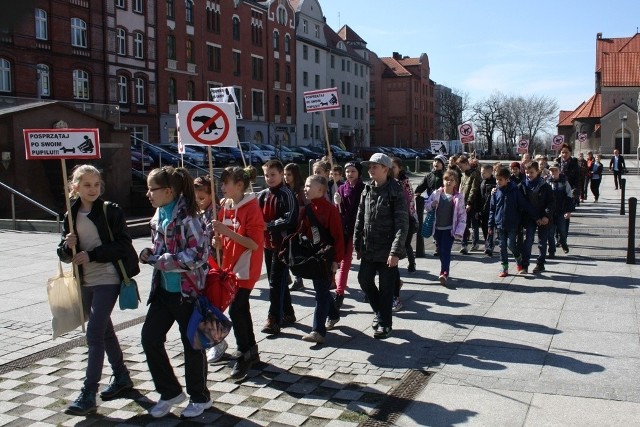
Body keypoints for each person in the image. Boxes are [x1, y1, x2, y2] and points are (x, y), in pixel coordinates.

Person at [57, 165, 139, 416]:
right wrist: (66, 245)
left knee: (93, 334)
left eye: (96, 184)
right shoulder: (70, 212)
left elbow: (124, 245)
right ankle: (122, 377)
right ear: (75, 187)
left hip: (109, 277)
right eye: (86, 185)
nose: (92, 189)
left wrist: (91, 254)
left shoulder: (110, 211)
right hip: (85, 280)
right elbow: (63, 254)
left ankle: (88, 393)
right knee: (104, 331)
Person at [139, 166, 211, 419]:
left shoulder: (189, 217)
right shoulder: (159, 214)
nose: (148, 193)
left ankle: (200, 397)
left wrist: (162, 260)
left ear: (168, 191)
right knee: (149, 338)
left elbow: (199, 255)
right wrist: (148, 253)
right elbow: (159, 248)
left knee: (192, 345)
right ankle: (170, 392)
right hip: (163, 291)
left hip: (188, 292)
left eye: (152, 189)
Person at [211, 166, 264, 381]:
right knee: (241, 310)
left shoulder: (251, 208)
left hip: (246, 268)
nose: (222, 187)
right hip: (231, 267)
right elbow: (225, 239)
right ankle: (251, 349)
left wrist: (227, 233)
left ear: (240, 185)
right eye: (222, 183)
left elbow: (253, 243)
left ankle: (243, 353)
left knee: (237, 309)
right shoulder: (225, 206)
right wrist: (219, 242)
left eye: (226, 183)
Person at [354, 153, 408, 339]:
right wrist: (357, 242)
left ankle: (385, 324)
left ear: (385, 169)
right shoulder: (367, 189)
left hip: (387, 250)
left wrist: (395, 252)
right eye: (369, 167)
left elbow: (402, 224)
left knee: (386, 289)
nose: (370, 170)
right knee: (364, 281)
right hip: (369, 248)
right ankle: (380, 312)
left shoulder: (395, 190)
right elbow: (360, 217)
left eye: (374, 167)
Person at [296, 175, 344, 344]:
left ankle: (318, 331)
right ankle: (334, 314)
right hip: (314, 256)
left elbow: (338, 236)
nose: (305, 188)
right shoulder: (308, 208)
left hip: (327, 256)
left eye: (309, 186)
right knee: (321, 289)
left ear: (320, 190)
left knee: (321, 292)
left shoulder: (330, 210)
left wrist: (336, 260)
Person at [257, 160, 299, 335]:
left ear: (281, 174)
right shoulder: (262, 194)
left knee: (275, 283)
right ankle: (288, 313)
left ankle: (273, 318)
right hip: (267, 244)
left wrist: (270, 225)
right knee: (276, 282)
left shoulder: (286, 193)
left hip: (282, 245)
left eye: (273, 174)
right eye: (267, 175)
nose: (269, 178)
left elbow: (291, 218)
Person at [194, 176, 228, 365]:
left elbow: (220, 239)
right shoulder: (196, 212)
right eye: (196, 197)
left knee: (214, 306)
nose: (199, 201)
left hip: (214, 265)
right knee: (204, 305)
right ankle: (212, 339)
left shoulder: (216, 212)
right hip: (199, 267)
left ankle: (218, 342)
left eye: (202, 197)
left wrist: (218, 242)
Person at [488, 167, 536, 277]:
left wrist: (536, 216)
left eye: (500, 179)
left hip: (512, 224)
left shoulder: (515, 191)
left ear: (507, 179)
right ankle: (504, 267)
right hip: (499, 223)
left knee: (511, 244)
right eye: (496, 179)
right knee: (502, 246)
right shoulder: (495, 192)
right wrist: (490, 225)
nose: (498, 182)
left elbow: (525, 205)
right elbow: (492, 209)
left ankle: (518, 258)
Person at [423, 170, 466, 287]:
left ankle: (444, 273)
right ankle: (444, 269)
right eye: (447, 179)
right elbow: (427, 205)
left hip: (449, 229)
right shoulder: (436, 193)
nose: (449, 182)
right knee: (441, 251)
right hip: (437, 229)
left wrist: (459, 231)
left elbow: (462, 215)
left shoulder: (458, 197)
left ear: (456, 183)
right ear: (443, 181)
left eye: (452, 180)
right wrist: (431, 205)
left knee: (445, 250)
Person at [334, 161, 365, 309]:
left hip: (361, 228)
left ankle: (368, 287)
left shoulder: (364, 188)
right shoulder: (341, 188)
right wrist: (337, 203)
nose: (349, 174)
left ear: (358, 172)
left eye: (353, 171)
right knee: (345, 261)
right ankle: (339, 292)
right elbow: (338, 211)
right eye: (347, 171)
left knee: (366, 260)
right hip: (345, 228)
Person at [390, 157, 418, 312]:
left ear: (399, 168)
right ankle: (396, 283)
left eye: (393, 166)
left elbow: (408, 203)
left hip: (403, 221)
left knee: (397, 254)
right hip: (389, 224)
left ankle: (395, 292)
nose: (390, 169)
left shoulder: (404, 183)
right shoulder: (387, 182)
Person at [519, 161, 555, 274]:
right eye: (527, 172)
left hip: (543, 217)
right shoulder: (522, 186)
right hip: (530, 217)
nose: (529, 175)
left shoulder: (545, 186)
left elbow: (551, 202)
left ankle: (540, 263)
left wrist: (546, 216)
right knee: (528, 240)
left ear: (538, 172)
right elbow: (524, 204)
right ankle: (524, 265)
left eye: (532, 172)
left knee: (542, 241)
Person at [415, 154, 446, 257]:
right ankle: (438, 245)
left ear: (443, 164)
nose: (436, 163)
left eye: (438, 161)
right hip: (432, 204)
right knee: (433, 225)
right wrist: (417, 192)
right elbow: (421, 186)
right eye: (435, 161)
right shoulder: (429, 175)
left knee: (442, 225)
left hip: (444, 204)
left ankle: (442, 245)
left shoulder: (446, 175)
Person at [284, 163, 307, 292]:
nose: (286, 177)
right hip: (287, 225)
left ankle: (298, 279)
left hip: (298, 226)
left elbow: (307, 206)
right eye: (285, 174)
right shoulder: (284, 189)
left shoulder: (301, 189)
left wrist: (296, 210)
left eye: (289, 174)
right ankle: (287, 276)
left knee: (295, 253)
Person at [547, 162, 574, 257]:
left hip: (561, 211)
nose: (553, 173)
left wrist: (568, 211)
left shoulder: (564, 182)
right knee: (550, 232)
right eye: (551, 171)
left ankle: (563, 243)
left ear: (559, 171)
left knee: (562, 231)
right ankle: (551, 250)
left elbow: (569, 197)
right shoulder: (547, 182)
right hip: (550, 212)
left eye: (555, 170)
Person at [456, 155, 481, 254]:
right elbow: (461, 189)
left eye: (461, 166)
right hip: (463, 202)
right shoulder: (463, 175)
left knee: (474, 224)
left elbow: (473, 189)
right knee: (464, 224)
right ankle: (464, 244)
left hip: (472, 203)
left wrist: (469, 202)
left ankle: (475, 243)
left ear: (466, 164)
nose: (460, 169)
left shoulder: (474, 174)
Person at [479, 163, 497, 256]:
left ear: (490, 172)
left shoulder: (495, 183)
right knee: (484, 228)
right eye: (481, 173)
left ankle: (489, 246)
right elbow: (480, 197)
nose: (482, 175)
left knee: (491, 229)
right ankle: (488, 244)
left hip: (492, 210)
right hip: (483, 210)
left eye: (484, 173)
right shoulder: (482, 182)